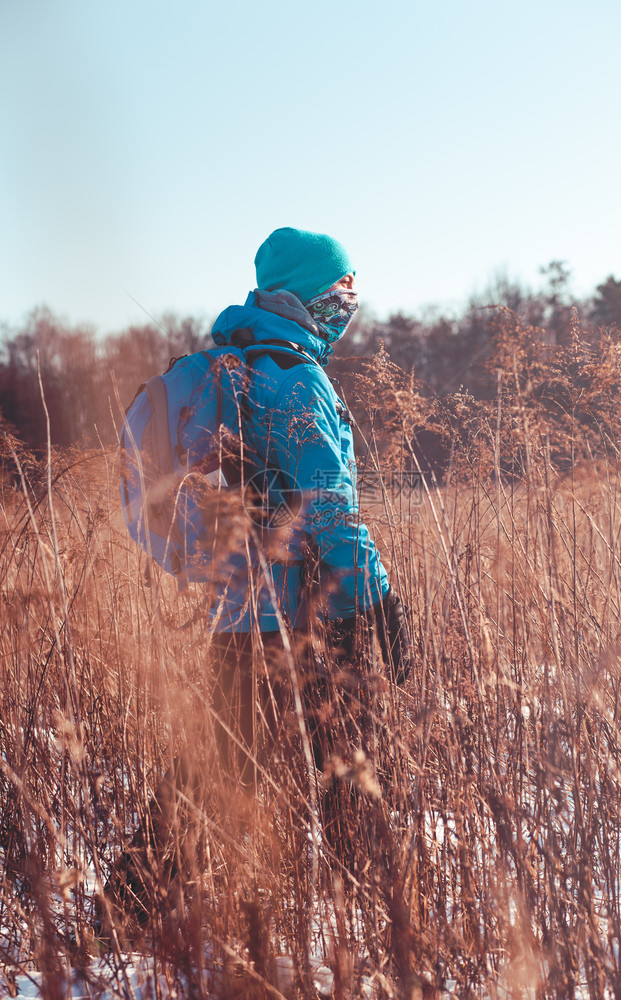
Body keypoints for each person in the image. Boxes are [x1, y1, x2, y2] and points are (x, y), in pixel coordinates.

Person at [206, 227, 412, 805]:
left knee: (208, 790)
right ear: (307, 290)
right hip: (299, 619)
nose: (352, 296)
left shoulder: (241, 361)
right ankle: (363, 893)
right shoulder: (296, 378)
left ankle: (129, 896)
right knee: (349, 781)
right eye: (343, 283)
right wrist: (375, 602)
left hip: (237, 616)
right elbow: (329, 509)